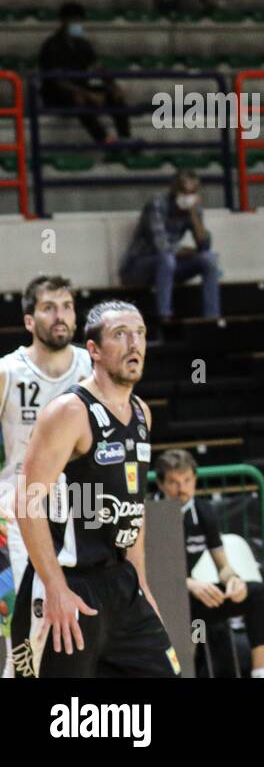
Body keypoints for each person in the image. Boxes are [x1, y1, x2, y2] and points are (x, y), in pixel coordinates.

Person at [11, 301, 180, 678]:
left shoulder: (141, 414)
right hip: (71, 585)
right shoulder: (69, 411)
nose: (134, 344)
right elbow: (26, 502)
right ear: (94, 350)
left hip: (122, 585)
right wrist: (55, 587)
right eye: (120, 335)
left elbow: (132, 512)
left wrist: (142, 584)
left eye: (140, 334)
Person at [0, 275, 92, 678]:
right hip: (20, 506)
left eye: (68, 306)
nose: (60, 316)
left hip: (83, 505)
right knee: (29, 623)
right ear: (28, 320)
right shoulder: (7, 372)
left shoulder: (92, 366)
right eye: (49, 307)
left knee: (81, 622)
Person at [155, 449, 264, 678]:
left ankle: (263, 673)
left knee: (256, 593)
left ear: (195, 479)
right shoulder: (152, 513)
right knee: (181, 611)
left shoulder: (203, 511)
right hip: (160, 601)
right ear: (161, 484)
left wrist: (233, 580)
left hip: (191, 597)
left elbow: (223, 566)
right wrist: (189, 584)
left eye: (187, 480)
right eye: (173, 482)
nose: (182, 489)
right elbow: (151, 575)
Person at [119, 169, 221, 323]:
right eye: (184, 192)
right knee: (167, 259)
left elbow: (204, 245)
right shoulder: (157, 204)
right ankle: (164, 317)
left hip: (169, 267)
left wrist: (193, 214)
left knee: (209, 259)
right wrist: (188, 251)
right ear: (174, 189)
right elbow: (162, 246)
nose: (188, 197)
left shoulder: (193, 208)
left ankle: (212, 318)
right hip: (138, 267)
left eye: (192, 193)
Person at [38, 2, 132, 144]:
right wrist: (88, 94)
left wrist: (113, 85)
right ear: (63, 21)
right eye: (74, 20)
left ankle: (125, 138)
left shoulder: (83, 45)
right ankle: (104, 139)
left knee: (115, 96)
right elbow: (58, 81)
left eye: (80, 20)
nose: (78, 24)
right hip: (57, 94)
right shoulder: (51, 45)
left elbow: (99, 68)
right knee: (78, 99)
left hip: (82, 88)